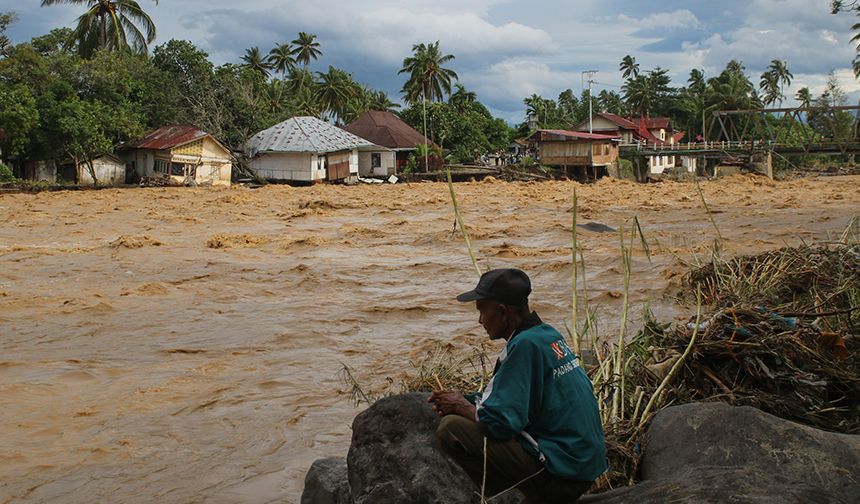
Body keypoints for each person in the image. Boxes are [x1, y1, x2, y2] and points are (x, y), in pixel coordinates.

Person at [429, 268, 606, 503]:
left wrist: (461, 406)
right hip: (583, 466)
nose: (480, 321)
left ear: (502, 312)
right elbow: (515, 397)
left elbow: (499, 424)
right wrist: (466, 399)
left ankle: (520, 492)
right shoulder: (546, 335)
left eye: (482, 311)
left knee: (451, 428)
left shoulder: (524, 347)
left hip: (563, 474)